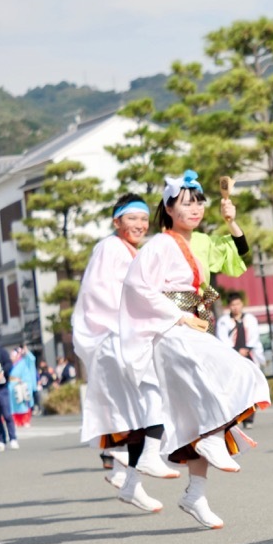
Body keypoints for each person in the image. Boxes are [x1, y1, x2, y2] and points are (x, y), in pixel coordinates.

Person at [120, 171, 271, 529]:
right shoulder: (157, 245)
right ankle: (213, 437)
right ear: (169, 209)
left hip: (194, 325)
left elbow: (238, 255)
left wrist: (232, 222)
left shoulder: (202, 242)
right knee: (237, 371)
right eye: (187, 203)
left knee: (193, 415)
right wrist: (178, 317)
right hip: (171, 331)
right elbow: (137, 287)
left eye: (199, 201)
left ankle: (195, 494)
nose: (196, 208)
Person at [73, 192, 182, 509]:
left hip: (125, 336)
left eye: (144, 219)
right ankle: (142, 459)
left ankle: (131, 483)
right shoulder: (110, 248)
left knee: (140, 415)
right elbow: (102, 296)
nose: (139, 224)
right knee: (152, 397)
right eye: (132, 218)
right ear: (116, 220)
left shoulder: (131, 253)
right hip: (115, 338)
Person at [216, 292, 265, 429]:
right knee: (234, 387)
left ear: (242, 304)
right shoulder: (224, 321)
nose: (235, 307)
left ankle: (249, 417)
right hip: (232, 357)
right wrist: (235, 352)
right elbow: (222, 339)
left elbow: (254, 336)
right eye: (232, 305)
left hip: (249, 356)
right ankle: (235, 416)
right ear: (229, 306)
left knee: (251, 386)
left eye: (237, 304)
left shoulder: (250, 319)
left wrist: (246, 349)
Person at [0, 343, 17, 452]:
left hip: (1, 387)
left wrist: (2, 373)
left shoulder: (1, 351)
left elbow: (9, 364)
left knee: (7, 414)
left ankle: (13, 438)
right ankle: (1, 440)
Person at [9, 348, 36, 428]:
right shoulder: (9, 364)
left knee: (23, 403)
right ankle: (15, 421)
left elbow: (32, 359)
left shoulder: (24, 362)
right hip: (11, 387)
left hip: (21, 386)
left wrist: (26, 351)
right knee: (12, 405)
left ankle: (25, 420)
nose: (11, 357)